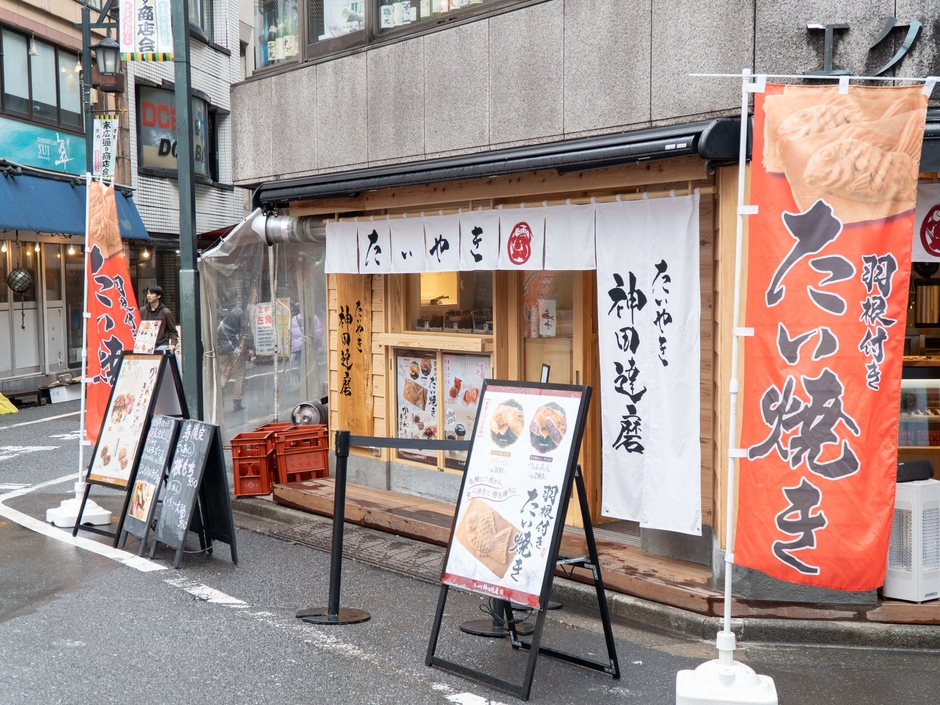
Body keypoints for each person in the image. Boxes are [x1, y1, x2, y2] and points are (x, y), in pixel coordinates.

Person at [218, 298, 251, 411]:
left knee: (224, 374)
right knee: (239, 375)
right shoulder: (238, 312)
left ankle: (218, 399)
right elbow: (245, 330)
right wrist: (249, 347)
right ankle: (237, 401)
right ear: (235, 299)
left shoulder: (218, 312)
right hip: (236, 348)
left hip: (221, 349)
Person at [140, 285, 178, 352]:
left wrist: (173, 344)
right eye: (148, 293)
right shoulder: (142, 311)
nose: (149, 296)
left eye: (151, 294)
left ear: (158, 296)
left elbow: (173, 331)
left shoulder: (166, 312)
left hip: (162, 345)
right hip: (145, 344)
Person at [289, 303, 304, 377]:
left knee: (300, 362)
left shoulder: (293, 320)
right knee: (309, 362)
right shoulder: (309, 317)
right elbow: (318, 330)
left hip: (297, 345)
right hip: (307, 343)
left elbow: (291, 332)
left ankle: (300, 377)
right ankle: (308, 378)